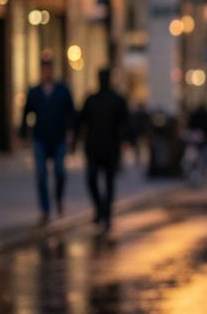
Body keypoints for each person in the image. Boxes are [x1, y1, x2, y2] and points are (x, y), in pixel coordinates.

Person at [21, 54, 76, 224]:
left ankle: (58, 199)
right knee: (42, 175)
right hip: (40, 139)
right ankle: (45, 209)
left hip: (58, 138)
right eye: (44, 70)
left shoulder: (62, 90)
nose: (47, 73)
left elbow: (71, 113)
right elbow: (26, 113)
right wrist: (23, 134)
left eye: (49, 69)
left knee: (60, 171)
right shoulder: (35, 92)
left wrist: (71, 132)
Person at [76, 69, 130, 231]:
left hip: (110, 148)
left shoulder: (116, 100)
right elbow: (81, 120)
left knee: (109, 182)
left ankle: (106, 214)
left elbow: (126, 122)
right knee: (92, 178)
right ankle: (101, 209)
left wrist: (126, 140)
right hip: (94, 147)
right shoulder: (92, 100)